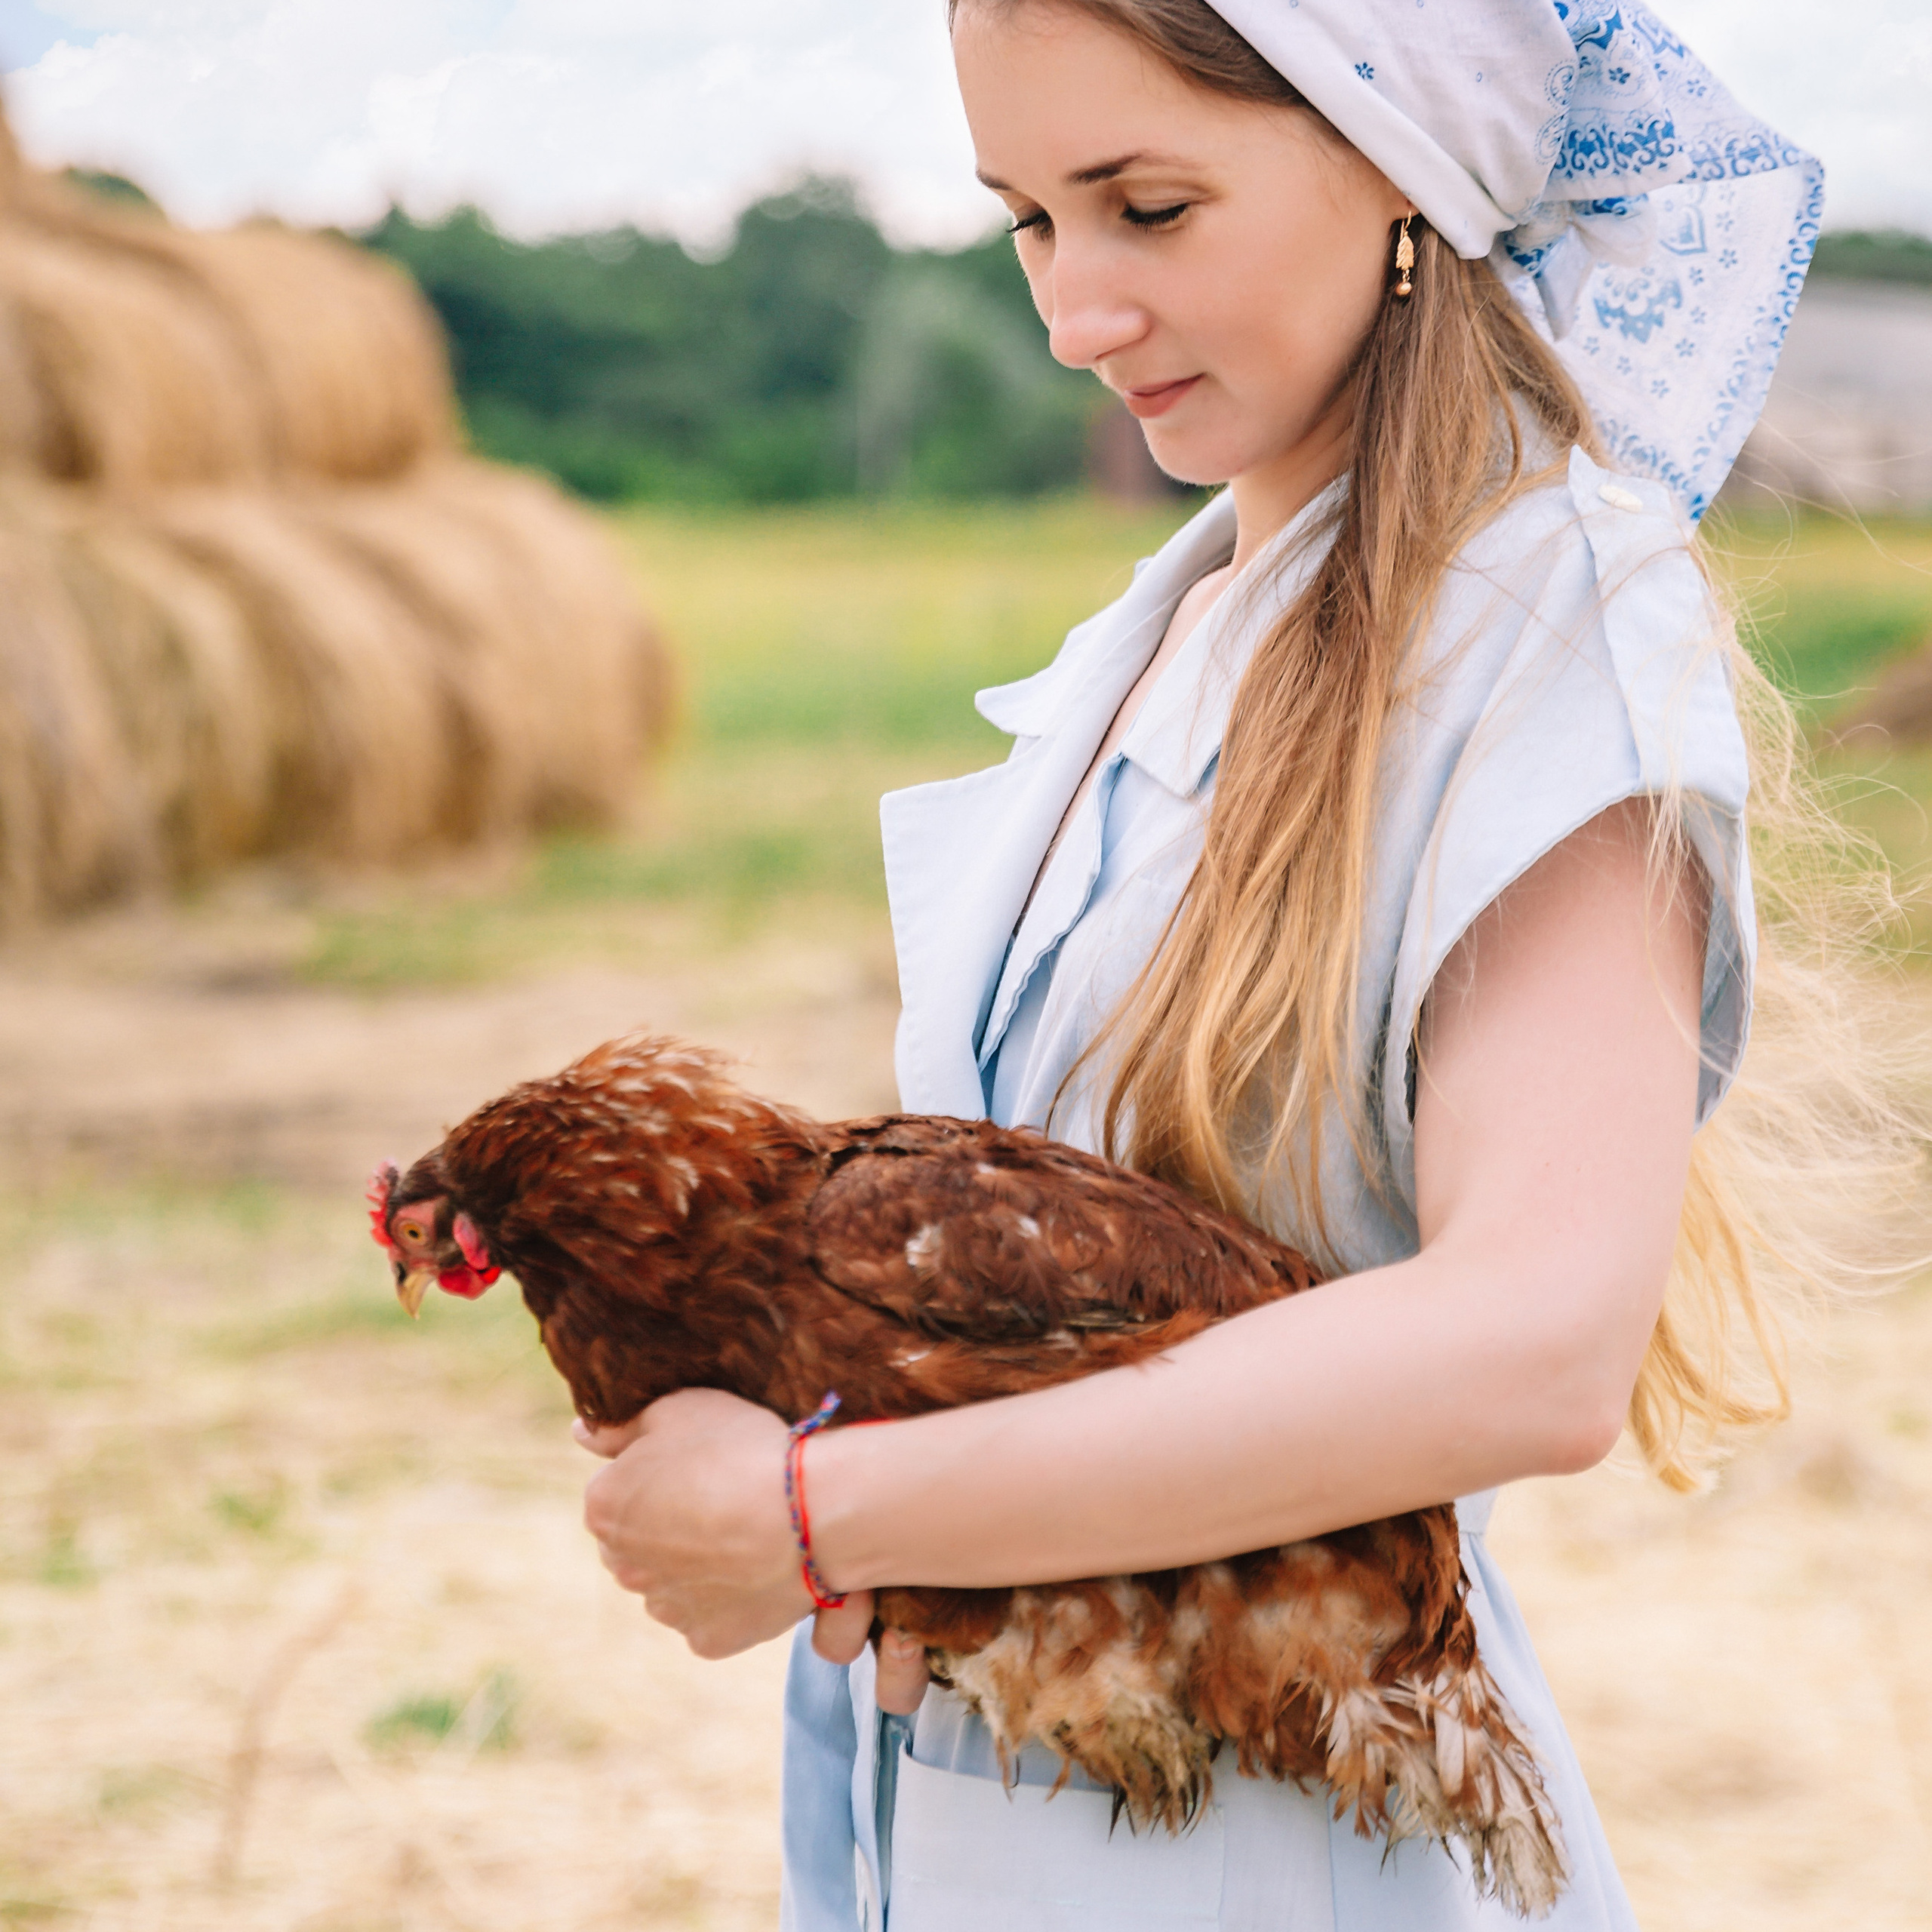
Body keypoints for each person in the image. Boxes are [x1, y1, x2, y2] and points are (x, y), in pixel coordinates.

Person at [577, 3, 1915, 1926]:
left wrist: (816, 1517)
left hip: (1272, 1837)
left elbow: (1534, 1339)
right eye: (1028, 219)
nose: (1071, 311)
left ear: (1400, 167)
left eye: (1147, 205)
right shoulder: (1160, 640)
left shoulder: (1544, 618)